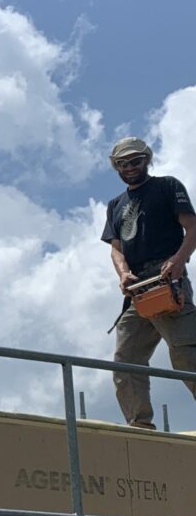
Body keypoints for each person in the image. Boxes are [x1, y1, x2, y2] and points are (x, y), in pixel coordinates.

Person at [101, 136, 196, 429]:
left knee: (186, 352)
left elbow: (192, 227)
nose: (129, 167)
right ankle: (140, 424)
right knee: (126, 359)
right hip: (138, 290)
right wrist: (123, 273)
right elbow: (116, 248)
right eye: (122, 163)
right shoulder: (115, 205)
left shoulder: (167, 186)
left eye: (135, 161)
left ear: (147, 159)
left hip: (166, 279)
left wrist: (179, 259)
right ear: (115, 167)